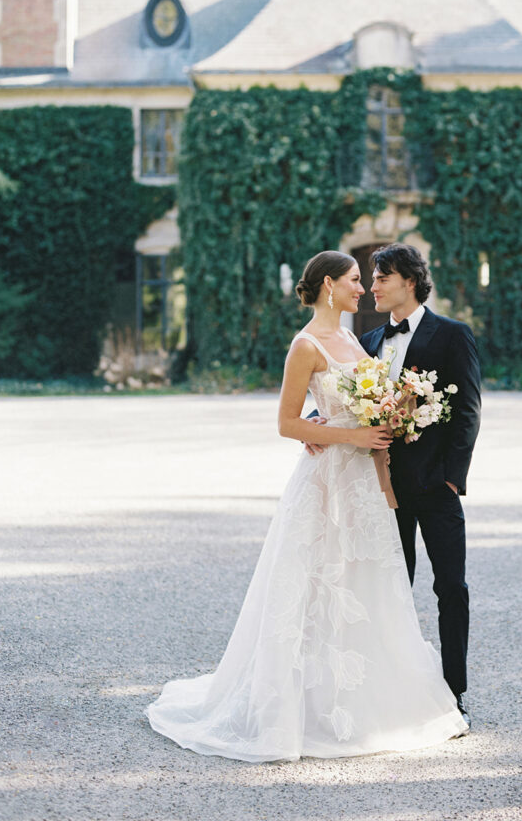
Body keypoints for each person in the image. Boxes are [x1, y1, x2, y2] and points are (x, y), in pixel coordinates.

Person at [146, 250, 468, 762]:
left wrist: (388, 424)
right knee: (318, 582)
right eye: (355, 280)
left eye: (368, 280)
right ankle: (309, 705)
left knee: (369, 581)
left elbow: (347, 406)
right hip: (326, 484)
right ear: (328, 287)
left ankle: (376, 695)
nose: (363, 288)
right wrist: (341, 432)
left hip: (366, 482)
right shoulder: (306, 344)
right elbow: (286, 423)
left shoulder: (357, 341)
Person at [360, 243, 481, 727]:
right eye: (371, 279)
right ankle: (394, 690)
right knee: (390, 589)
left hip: (436, 487)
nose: (373, 287)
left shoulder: (452, 335)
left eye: (381, 278)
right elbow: (343, 400)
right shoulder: (369, 342)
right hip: (382, 490)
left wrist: (453, 479)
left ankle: (453, 691)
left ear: (409, 280)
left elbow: (468, 411)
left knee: (451, 587)